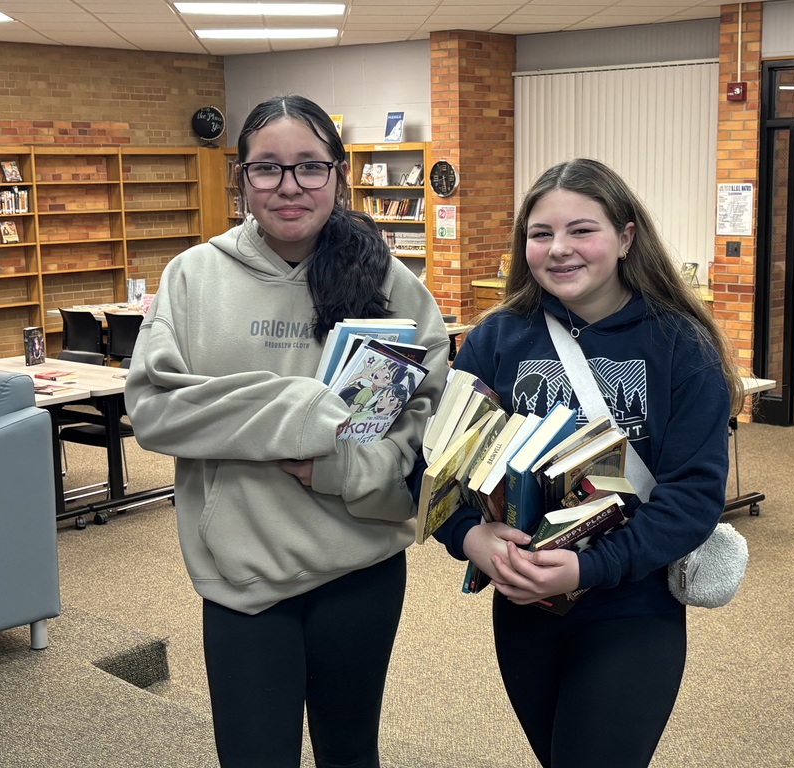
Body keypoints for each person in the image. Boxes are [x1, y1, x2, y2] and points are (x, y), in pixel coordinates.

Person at [124, 94, 450, 768]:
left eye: (309, 167)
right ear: (240, 177)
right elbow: (155, 409)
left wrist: (337, 467)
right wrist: (297, 414)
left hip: (360, 563)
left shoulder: (389, 281)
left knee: (350, 752)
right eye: (267, 168)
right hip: (245, 574)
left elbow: (425, 419)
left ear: (338, 174)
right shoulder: (194, 277)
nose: (289, 186)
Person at [433, 158, 744, 767]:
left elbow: (691, 500)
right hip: (523, 604)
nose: (558, 249)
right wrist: (469, 537)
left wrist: (585, 569)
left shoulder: (681, 345)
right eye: (541, 233)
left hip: (632, 603)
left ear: (626, 238)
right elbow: (439, 467)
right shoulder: (497, 338)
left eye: (582, 230)